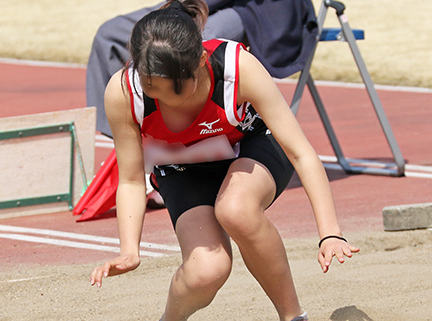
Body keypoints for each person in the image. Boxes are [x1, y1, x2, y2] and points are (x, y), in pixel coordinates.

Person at [90, 1, 360, 320]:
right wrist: (129, 250)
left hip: (252, 147)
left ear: (202, 60)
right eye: (154, 89)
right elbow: (133, 180)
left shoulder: (238, 68)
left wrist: (329, 231)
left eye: (178, 89)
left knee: (236, 210)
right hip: (183, 167)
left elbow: (301, 152)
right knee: (207, 271)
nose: (167, 100)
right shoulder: (123, 92)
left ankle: (293, 316)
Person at [86, 0, 318, 138]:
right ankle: (126, 143)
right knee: (110, 34)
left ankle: (187, 148)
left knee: (196, 41)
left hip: (261, 8)